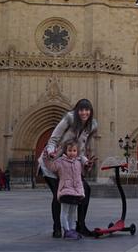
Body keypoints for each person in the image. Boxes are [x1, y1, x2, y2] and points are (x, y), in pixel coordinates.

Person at [38, 98, 98, 238]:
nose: (84, 112)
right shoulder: (69, 119)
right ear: (77, 110)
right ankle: (57, 228)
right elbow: (53, 139)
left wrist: (85, 162)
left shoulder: (91, 126)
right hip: (54, 162)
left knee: (86, 189)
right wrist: (51, 151)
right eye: (81, 109)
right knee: (59, 194)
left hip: (72, 164)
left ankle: (81, 225)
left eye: (87, 110)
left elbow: (81, 150)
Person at [44, 140, 85, 240]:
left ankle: (72, 229)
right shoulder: (61, 162)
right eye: (70, 150)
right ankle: (66, 230)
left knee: (73, 212)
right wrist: (47, 157)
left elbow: (83, 171)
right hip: (65, 191)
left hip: (76, 192)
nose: (72, 152)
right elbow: (51, 167)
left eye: (74, 150)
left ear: (77, 151)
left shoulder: (78, 162)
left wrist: (87, 164)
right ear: (65, 151)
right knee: (65, 212)